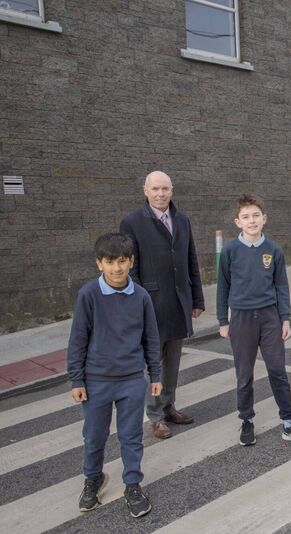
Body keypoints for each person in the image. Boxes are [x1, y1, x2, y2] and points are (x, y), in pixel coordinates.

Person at [67, 233, 162, 518]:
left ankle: (132, 485)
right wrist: (77, 379)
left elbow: (151, 339)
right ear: (99, 264)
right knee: (94, 436)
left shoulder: (141, 296)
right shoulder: (88, 295)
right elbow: (78, 339)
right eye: (110, 262)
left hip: (132, 379)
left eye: (122, 261)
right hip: (96, 381)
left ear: (131, 262)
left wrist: (155, 374)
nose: (117, 268)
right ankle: (92, 478)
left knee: (131, 436)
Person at [217, 195, 291, 447]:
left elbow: (281, 286)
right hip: (241, 318)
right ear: (238, 222)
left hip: (269, 318)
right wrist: (222, 320)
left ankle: (288, 422)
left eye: (256, 216)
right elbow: (222, 287)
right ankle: (246, 419)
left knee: (278, 371)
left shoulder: (273, 250)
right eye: (246, 217)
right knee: (244, 374)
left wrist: (285, 319)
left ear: (264, 219)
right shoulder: (229, 250)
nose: (252, 221)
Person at [120, 170, 204, 440]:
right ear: (145, 191)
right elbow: (130, 269)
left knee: (173, 363)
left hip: (179, 303)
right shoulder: (132, 222)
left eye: (165, 189)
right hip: (151, 304)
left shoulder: (182, 220)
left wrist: (197, 299)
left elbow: (191, 261)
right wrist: (136, 303)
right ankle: (155, 417)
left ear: (172, 190)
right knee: (152, 365)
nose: (160, 194)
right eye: (155, 189)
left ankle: (169, 407)